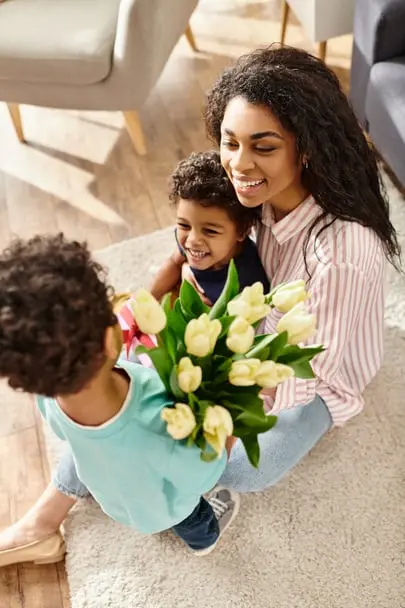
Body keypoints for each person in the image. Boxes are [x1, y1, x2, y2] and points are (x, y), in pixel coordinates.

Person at [0, 45, 401, 567]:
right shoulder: (251, 195)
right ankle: (45, 517)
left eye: (263, 146)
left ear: (305, 147)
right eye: (230, 142)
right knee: (112, 399)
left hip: (315, 379)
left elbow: (308, 371)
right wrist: (145, 318)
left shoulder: (343, 253)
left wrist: (199, 408)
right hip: (246, 327)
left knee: (225, 460)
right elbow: (185, 245)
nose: (239, 164)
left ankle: (57, 509)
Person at [0, 234, 239, 567]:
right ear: (108, 339)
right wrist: (228, 428)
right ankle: (204, 540)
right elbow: (204, 475)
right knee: (194, 517)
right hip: (167, 508)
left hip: (114, 497)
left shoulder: (48, 399)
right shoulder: (159, 419)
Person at [149, 150, 269, 304]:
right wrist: (147, 301)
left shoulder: (248, 284)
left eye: (210, 231)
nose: (192, 240)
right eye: (184, 225)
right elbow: (174, 261)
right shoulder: (192, 242)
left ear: (242, 230)